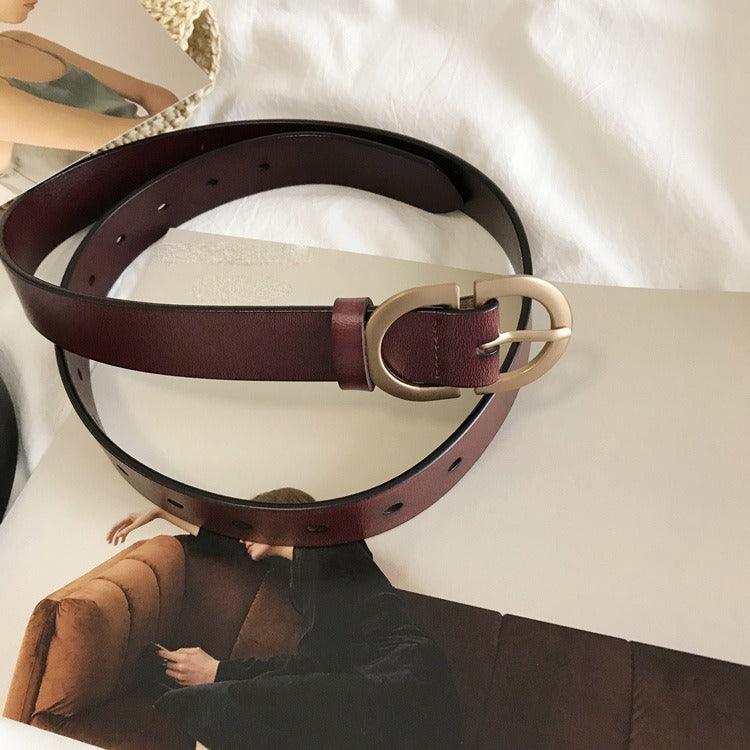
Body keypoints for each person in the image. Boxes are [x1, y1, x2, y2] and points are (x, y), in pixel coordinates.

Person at [106, 488, 464, 750]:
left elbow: (314, 667)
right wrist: (161, 512)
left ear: (281, 515)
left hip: (404, 684)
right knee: (231, 704)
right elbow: (227, 541)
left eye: (250, 523)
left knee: (227, 703)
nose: (241, 538)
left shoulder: (333, 549)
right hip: (381, 692)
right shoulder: (305, 571)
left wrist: (219, 673)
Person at [0, 0, 178, 195]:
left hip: (170, 163)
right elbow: (132, 139)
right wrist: (177, 123)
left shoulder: (20, 40)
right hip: (134, 200)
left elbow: (150, 93)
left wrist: (177, 123)